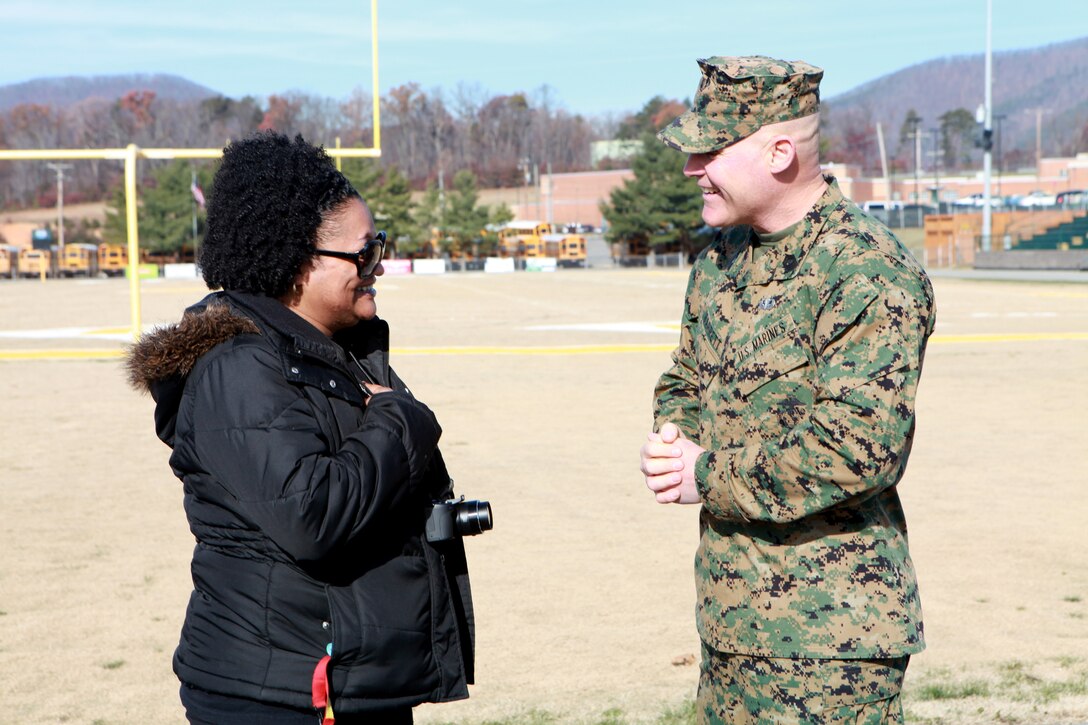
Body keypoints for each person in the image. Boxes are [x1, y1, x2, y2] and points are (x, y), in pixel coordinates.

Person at [126, 132, 475, 724]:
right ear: (296, 259)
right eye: (365, 252)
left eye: (380, 246)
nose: (378, 266)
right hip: (283, 694)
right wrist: (400, 421)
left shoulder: (326, 349)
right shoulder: (238, 367)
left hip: (345, 681)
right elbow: (312, 514)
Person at [639, 56, 935, 723]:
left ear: (779, 153)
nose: (692, 168)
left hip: (830, 640)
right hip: (730, 620)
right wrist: (675, 433)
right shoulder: (720, 259)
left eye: (710, 150)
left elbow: (859, 448)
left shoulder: (865, 270)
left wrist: (705, 474)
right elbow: (685, 375)